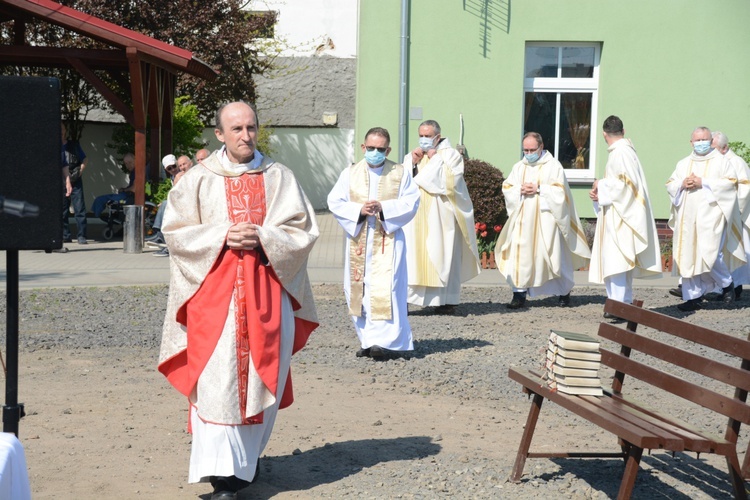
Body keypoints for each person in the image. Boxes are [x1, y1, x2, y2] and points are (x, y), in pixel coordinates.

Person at [158, 101, 319, 499]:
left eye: (251, 127)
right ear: (219, 134)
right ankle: (223, 477)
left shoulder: (279, 177)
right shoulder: (197, 178)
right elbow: (175, 233)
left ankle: (245, 464)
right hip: (215, 300)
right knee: (218, 381)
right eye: (236, 129)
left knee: (262, 374)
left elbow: (303, 231)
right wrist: (223, 236)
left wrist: (265, 238)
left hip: (266, 295)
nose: (245, 136)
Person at [328, 127, 420, 360]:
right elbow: (335, 201)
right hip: (359, 238)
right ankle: (368, 340)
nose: (375, 153)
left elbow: (411, 202)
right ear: (363, 147)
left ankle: (391, 343)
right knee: (359, 290)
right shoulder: (349, 173)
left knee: (387, 288)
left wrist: (384, 208)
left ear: (388, 149)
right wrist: (359, 210)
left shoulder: (400, 172)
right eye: (371, 148)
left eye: (380, 149)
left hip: (387, 240)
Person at [495, 132, 591, 309]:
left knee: (553, 255)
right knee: (520, 256)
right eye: (525, 150)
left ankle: (563, 293)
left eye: (532, 149)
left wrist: (539, 188)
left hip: (547, 220)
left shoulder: (553, 166)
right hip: (523, 220)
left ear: (541, 147)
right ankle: (519, 294)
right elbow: (508, 187)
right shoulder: (519, 167)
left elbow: (560, 193)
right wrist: (519, 190)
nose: (529, 153)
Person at [402, 119, 480, 315]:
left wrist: (435, 158)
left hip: (441, 214)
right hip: (416, 215)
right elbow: (403, 180)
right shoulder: (414, 154)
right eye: (421, 135)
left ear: (438, 136)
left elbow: (451, 182)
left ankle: (446, 301)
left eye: (428, 136)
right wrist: (411, 163)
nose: (424, 139)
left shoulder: (450, 155)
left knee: (442, 254)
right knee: (412, 256)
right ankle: (407, 299)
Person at [666, 126, 746, 312]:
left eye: (704, 140)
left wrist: (704, 182)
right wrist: (682, 184)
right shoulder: (683, 163)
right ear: (691, 142)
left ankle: (727, 284)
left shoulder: (722, 162)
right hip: (688, 216)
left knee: (709, 253)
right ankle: (692, 297)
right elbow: (670, 183)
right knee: (688, 254)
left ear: (711, 141)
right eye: (697, 140)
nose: (700, 143)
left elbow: (730, 184)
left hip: (711, 215)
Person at [588, 116, 661, 318]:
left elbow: (628, 186)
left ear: (604, 134)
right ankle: (619, 304)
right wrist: (600, 191)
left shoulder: (622, 152)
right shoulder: (621, 151)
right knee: (617, 261)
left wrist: (600, 185)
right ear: (623, 130)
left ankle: (620, 306)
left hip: (622, 217)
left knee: (617, 261)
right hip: (617, 213)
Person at [712, 131, 750, 300]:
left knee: (735, 250)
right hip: (720, 213)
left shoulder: (736, 162)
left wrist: (731, 209)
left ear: (725, 147)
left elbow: (745, 188)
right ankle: (724, 287)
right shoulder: (716, 162)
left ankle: (736, 287)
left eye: (714, 148)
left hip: (734, 215)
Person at [147, 154, 181, 257]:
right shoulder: (172, 177)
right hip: (178, 204)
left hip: (184, 205)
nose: (172, 170)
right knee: (164, 204)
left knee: (165, 204)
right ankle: (162, 240)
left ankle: (159, 235)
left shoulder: (182, 175)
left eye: (174, 166)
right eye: (169, 168)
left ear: (177, 164)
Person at [61, 123, 88, 245]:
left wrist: (80, 172)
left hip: (75, 179)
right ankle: (65, 235)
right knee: (62, 209)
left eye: (62, 128)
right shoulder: (54, 145)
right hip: (61, 180)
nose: (60, 131)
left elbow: (85, 159)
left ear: (65, 130)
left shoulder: (74, 145)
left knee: (79, 208)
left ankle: (82, 236)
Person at [91, 153, 136, 218]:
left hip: (129, 197)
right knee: (104, 199)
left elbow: (134, 188)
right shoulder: (133, 172)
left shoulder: (137, 172)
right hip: (128, 195)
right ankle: (96, 215)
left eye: (130, 162)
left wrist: (124, 190)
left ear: (135, 160)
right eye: (126, 163)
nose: (128, 165)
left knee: (104, 199)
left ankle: (95, 217)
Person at [53, 130, 74, 253]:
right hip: (45, 184)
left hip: (58, 183)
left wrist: (67, 181)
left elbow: (64, 164)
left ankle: (57, 242)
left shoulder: (59, 146)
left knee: (59, 212)